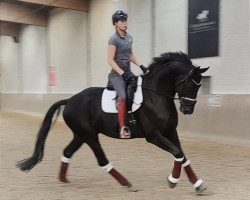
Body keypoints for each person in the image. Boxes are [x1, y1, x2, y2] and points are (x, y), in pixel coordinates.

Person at [108, 10, 148, 139]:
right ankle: (122, 127)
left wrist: (141, 66)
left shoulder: (129, 37)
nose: (124, 22)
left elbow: (130, 55)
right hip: (116, 74)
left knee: (141, 90)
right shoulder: (113, 39)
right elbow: (110, 60)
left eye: (125, 20)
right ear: (115, 23)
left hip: (128, 71)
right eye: (121, 20)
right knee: (123, 97)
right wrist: (122, 73)